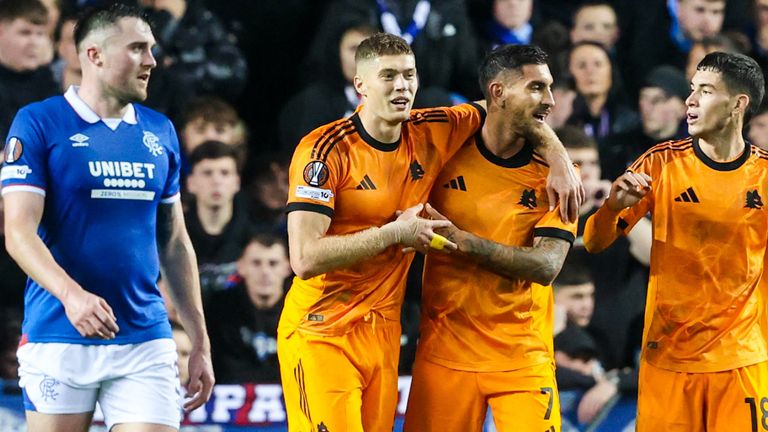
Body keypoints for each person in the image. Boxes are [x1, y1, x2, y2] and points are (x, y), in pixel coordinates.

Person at [279, 33, 582, 432]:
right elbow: (304, 259)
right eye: (388, 76)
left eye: (409, 75)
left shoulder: (434, 129)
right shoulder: (324, 150)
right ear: (360, 86)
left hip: (383, 331)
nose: (401, 86)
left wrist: (559, 156)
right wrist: (394, 234)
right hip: (322, 327)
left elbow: (506, 109)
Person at [2, 4, 214, 432]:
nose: (151, 61)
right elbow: (18, 231)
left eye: (151, 49)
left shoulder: (160, 131)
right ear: (94, 55)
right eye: (137, 48)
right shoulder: (38, 122)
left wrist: (199, 340)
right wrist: (72, 295)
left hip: (145, 335)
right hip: (59, 331)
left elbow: (173, 241)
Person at [584, 52, 767, 432]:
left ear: (738, 104)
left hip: (741, 360)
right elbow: (595, 241)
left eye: (705, 91)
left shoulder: (764, 175)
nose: (690, 101)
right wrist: (613, 206)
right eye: (691, 90)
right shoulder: (659, 163)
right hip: (666, 358)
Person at [402, 44, 577, 432]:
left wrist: (459, 240)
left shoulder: (558, 178)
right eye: (535, 88)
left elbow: (546, 266)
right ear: (497, 93)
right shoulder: (442, 151)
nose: (549, 100)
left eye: (549, 88)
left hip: (522, 358)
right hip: (445, 354)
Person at [207, 231, 292, 384]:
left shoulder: (299, 311)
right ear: (241, 267)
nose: (265, 272)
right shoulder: (221, 308)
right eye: (256, 263)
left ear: (287, 268)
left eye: (273, 263)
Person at [184, 140, 252, 298]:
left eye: (225, 173)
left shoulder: (253, 238)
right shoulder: (172, 237)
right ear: (190, 183)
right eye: (207, 173)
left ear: (237, 182)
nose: (216, 181)